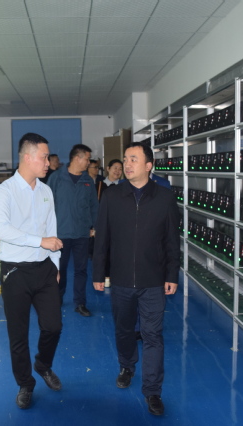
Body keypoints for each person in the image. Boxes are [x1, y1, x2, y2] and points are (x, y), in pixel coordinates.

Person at [92, 142, 180, 416]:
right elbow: (102, 237)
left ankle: (152, 390)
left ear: (148, 166)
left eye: (133, 159)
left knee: (153, 335)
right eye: (126, 159)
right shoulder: (112, 196)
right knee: (124, 329)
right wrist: (99, 273)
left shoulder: (164, 198)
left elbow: (172, 241)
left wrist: (171, 274)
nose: (127, 164)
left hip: (153, 280)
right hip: (120, 280)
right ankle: (127, 365)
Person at [0, 133, 64, 410]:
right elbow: (3, 230)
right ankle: (25, 383)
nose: (48, 163)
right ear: (27, 157)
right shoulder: (6, 191)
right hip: (15, 272)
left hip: (44, 269)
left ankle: (43, 364)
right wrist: (39, 241)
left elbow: (52, 230)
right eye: (44, 158)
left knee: (53, 326)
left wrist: (55, 264)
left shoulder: (46, 191)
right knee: (18, 334)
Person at [47, 144, 98, 316]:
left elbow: (93, 206)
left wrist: (95, 227)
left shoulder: (87, 180)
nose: (89, 163)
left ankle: (80, 303)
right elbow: (46, 205)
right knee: (59, 269)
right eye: (87, 159)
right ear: (77, 158)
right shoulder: (56, 178)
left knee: (81, 270)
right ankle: (57, 298)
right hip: (60, 233)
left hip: (82, 233)